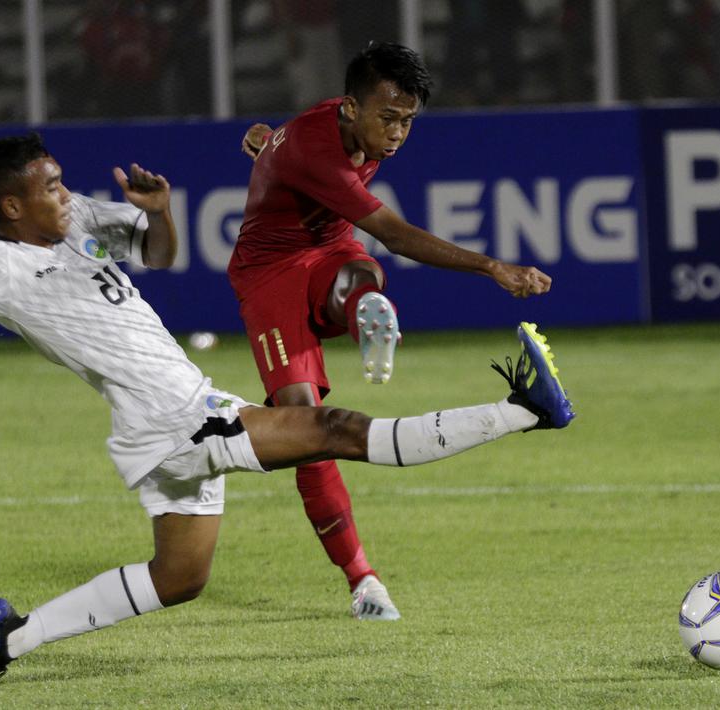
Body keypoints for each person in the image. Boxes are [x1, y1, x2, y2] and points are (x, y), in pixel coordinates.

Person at [0, 133, 574, 693]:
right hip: (176, 416)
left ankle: (6, 641)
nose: (68, 195)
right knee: (333, 430)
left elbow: (158, 257)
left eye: (62, 181)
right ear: (13, 206)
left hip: (158, 421)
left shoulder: (80, 226)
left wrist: (159, 215)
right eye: (51, 188)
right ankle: (524, 410)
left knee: (181, 579)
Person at [233, 42, 555, 620]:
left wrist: (266, 147)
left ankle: (363, 313)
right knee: (305, 430)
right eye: (389, 118)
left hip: (328, 248)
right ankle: (362, 579)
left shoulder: (346, 116)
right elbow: (399, 236)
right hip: (269, 276)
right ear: (353, 109)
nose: (399, 132)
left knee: (360, 272)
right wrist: (491, 267)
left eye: (408, 120)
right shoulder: (319, 148)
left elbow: (290, 141)